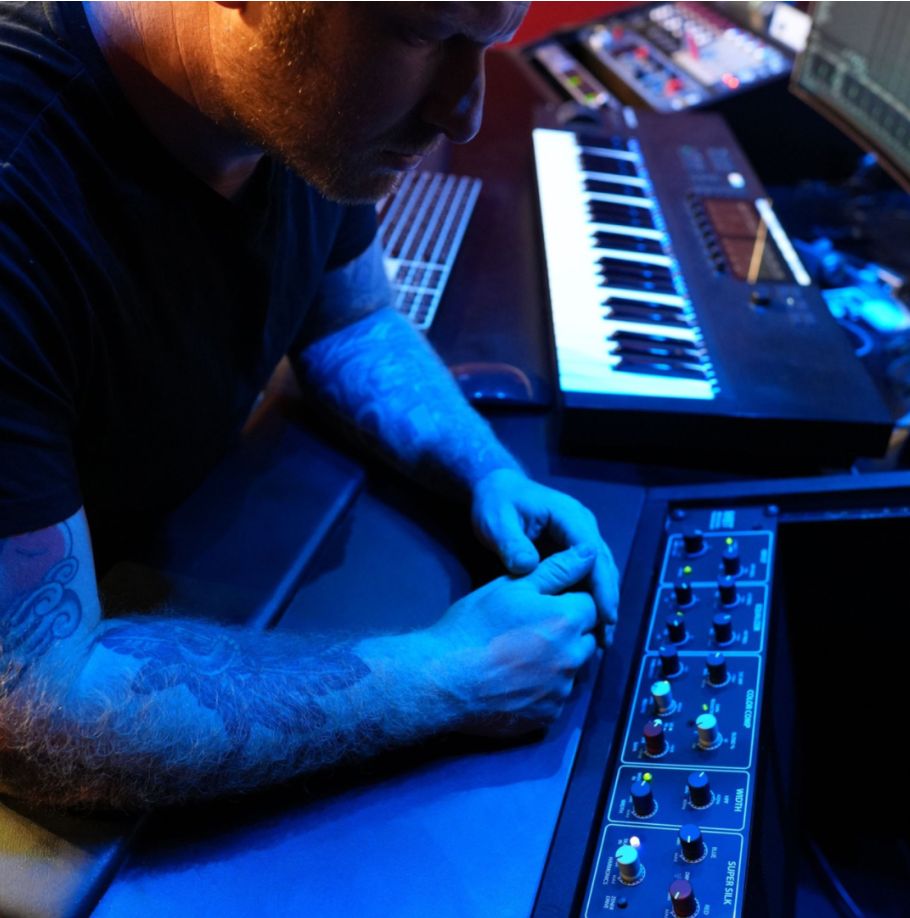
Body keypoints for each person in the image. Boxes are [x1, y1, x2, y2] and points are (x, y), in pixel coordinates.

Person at [0, 1, 619, 810]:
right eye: (426, 36)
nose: (464, 114)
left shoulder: (295, 107)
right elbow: (39, 707)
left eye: (487, 43)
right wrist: (449, 675)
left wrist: (485, 471)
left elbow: (352, 320)